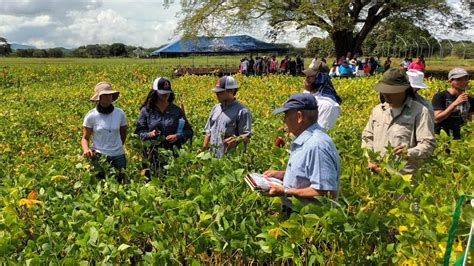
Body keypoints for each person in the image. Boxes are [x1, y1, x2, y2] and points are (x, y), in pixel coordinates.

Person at [263, 93, 341, 217]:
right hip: (299, 214)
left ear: (299, 117)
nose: (284, 121)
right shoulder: (307, 140)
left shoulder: (316, 145)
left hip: (310, 221)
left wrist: (285, 191)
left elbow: (325, 191)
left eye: (286, 115)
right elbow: (310, 173)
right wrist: (283, 175)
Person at [362, 68, 436, 175]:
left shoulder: (420, 111)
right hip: (376, 174)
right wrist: (369, 158)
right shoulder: (378, 111)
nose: (386, 95)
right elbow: (367, 137)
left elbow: (428, 144)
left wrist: (408, 153)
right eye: (384, 91)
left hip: (403, 176)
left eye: (391, 92)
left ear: (404, 90)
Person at [135, 77, 194, 177]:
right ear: (155, 92)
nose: (165, 95)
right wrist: (150, 134)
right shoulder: (147, 110)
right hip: (152, 156)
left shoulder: (176, 110)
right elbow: (139, 132)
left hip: (172, 156)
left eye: (167, 92)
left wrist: (177, 136)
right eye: (162, 92)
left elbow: (189, 131)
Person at [82, 82, 128, 182]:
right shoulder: (91, 116)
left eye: (110, 95)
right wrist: (86, 149)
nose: (108, 97)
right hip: (99, 156)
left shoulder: (120, 113)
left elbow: (123, 133)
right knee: (101, 184)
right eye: (105, 95)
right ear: (99, 98)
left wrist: (117, 146)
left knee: (121, 184)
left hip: (119, 155)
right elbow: (85, 138)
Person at [203, 76, 252, 158]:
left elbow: (247, 137)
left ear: (231, 91)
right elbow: (208, 131)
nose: (217, 94)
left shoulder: (242, 111)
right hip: (212, 158)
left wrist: (236, 139)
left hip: (229, 160)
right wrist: (203, 151)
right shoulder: (216, 108)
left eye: (220, 92)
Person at [432, 67, 473, 139]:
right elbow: (436, 119)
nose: (463, 82)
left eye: (465, 79)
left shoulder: (469, 99)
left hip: (460, 139)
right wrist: (455, 104)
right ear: (450, 82)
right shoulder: (440, 96)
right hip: (442, 138)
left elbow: (470, 120)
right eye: (458, 79)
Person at [302, 60, 342, 131]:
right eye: (306, 75)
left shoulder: (329, 105)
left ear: (320, 79)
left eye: (310, 76)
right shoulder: (306, 94)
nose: (306, 79)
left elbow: (320, 133)